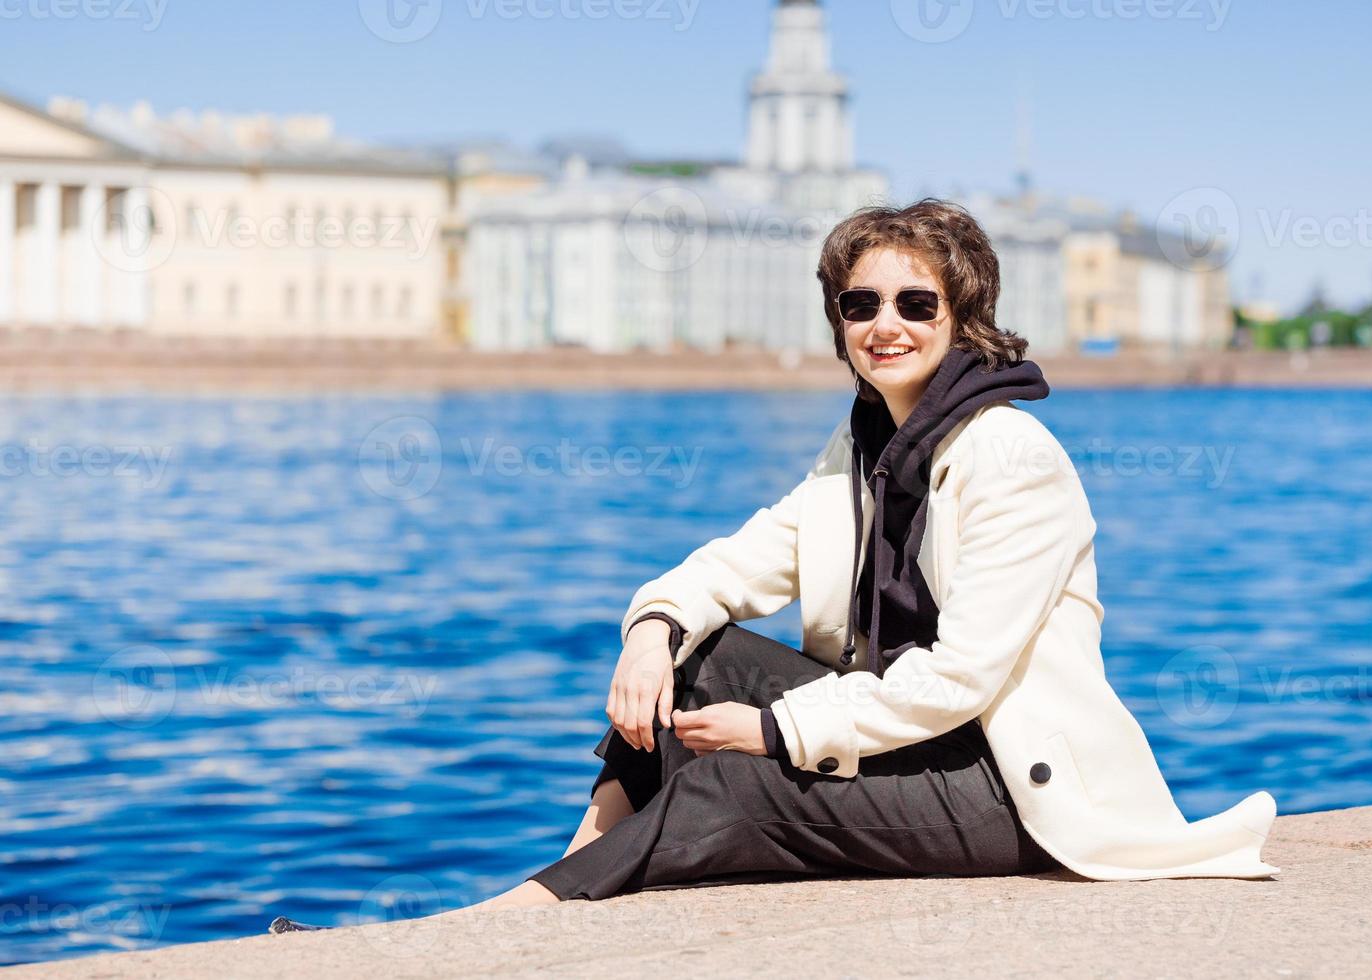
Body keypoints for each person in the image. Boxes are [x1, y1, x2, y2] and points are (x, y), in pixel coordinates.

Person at [269, 199, 1277, 933]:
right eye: (859, 302)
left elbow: (962, 675)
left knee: (739, 784)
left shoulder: (1013, 455)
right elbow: (740, 561)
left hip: (1012, 787)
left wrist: (778, 728)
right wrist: (652, 629)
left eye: (914, 302)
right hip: (909, 747)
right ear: (837, 320)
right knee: (698, 657)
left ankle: (495, 923)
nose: (884, 323)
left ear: (962, 318)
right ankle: (576, 866)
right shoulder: (864, 451)